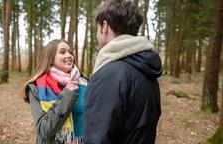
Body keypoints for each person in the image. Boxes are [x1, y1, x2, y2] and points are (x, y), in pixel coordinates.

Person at [84, 0, 163, 144]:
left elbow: (97, 138)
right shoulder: (146, 69)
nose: (97, 34)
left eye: (97, 28)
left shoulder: (109, 75)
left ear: (105, 26)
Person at [23, 39, 87, 144]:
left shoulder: (84, 83)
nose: (69, 55)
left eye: (70, 52)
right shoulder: (37, 88)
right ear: (51, 59)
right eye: (62, 52)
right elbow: (44, 130)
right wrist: (67, 94)